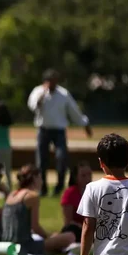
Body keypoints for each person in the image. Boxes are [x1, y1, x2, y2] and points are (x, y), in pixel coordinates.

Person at [27, 69, 92, 197]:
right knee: (41, 161)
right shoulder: (38, 91)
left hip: (59, 131)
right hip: (43, 130)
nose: (52, 83)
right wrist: (42, 95)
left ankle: (59, 187)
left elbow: (74, 111)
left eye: (54, 80)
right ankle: (43, 187)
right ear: (45, 81)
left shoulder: (63, 94)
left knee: (62, 158)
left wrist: (84, 123)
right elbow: (32, 106)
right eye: (50, 81)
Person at [1, 165, 77, 255]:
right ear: (34, 178)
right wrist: (49, 237)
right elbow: (35, 227)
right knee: (69, 236)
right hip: (25, 245)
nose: (42, 181)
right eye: (40, 178)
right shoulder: (32, 196)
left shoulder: (12, 194)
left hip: (5, 242)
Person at [60, 161, 93, 240]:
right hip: (75, 231)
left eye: (89, 175)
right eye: (83, 176)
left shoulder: (94, 192)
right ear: (75, 177)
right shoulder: (70, 193)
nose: (88, 178)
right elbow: (68, 222)